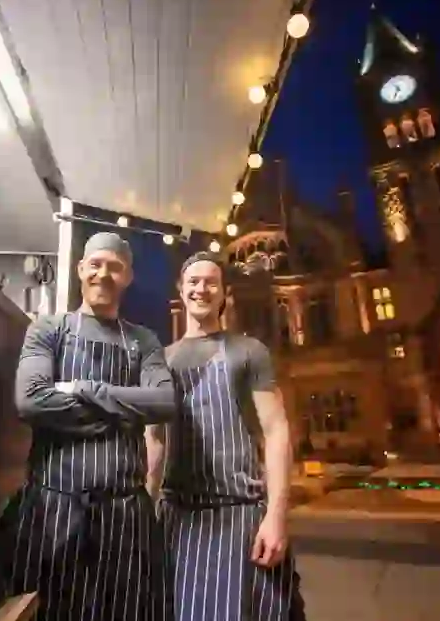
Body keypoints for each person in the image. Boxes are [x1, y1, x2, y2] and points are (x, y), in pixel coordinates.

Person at [1, 232, 176, 620]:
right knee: (49, 612)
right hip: (54, 508)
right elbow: (31, 401)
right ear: (81, 269)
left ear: (128, 276)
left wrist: (84, 390)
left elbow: (163, 403)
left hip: (126, 515)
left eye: (115, 266)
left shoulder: (143, 341)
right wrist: (124, 411)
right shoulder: (49, 329)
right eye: (95, 264)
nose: (103, 274)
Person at [146, 251, 305, 621]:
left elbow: (276, 431)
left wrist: (277, 515)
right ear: (181, 290)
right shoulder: (160, 361)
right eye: (193, 281)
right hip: (178, 520)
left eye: (210, 282)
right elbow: (154, 442)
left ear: (224, 294)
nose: (201, 289)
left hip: (240, 517)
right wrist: (143, 515)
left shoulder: (248, 351)